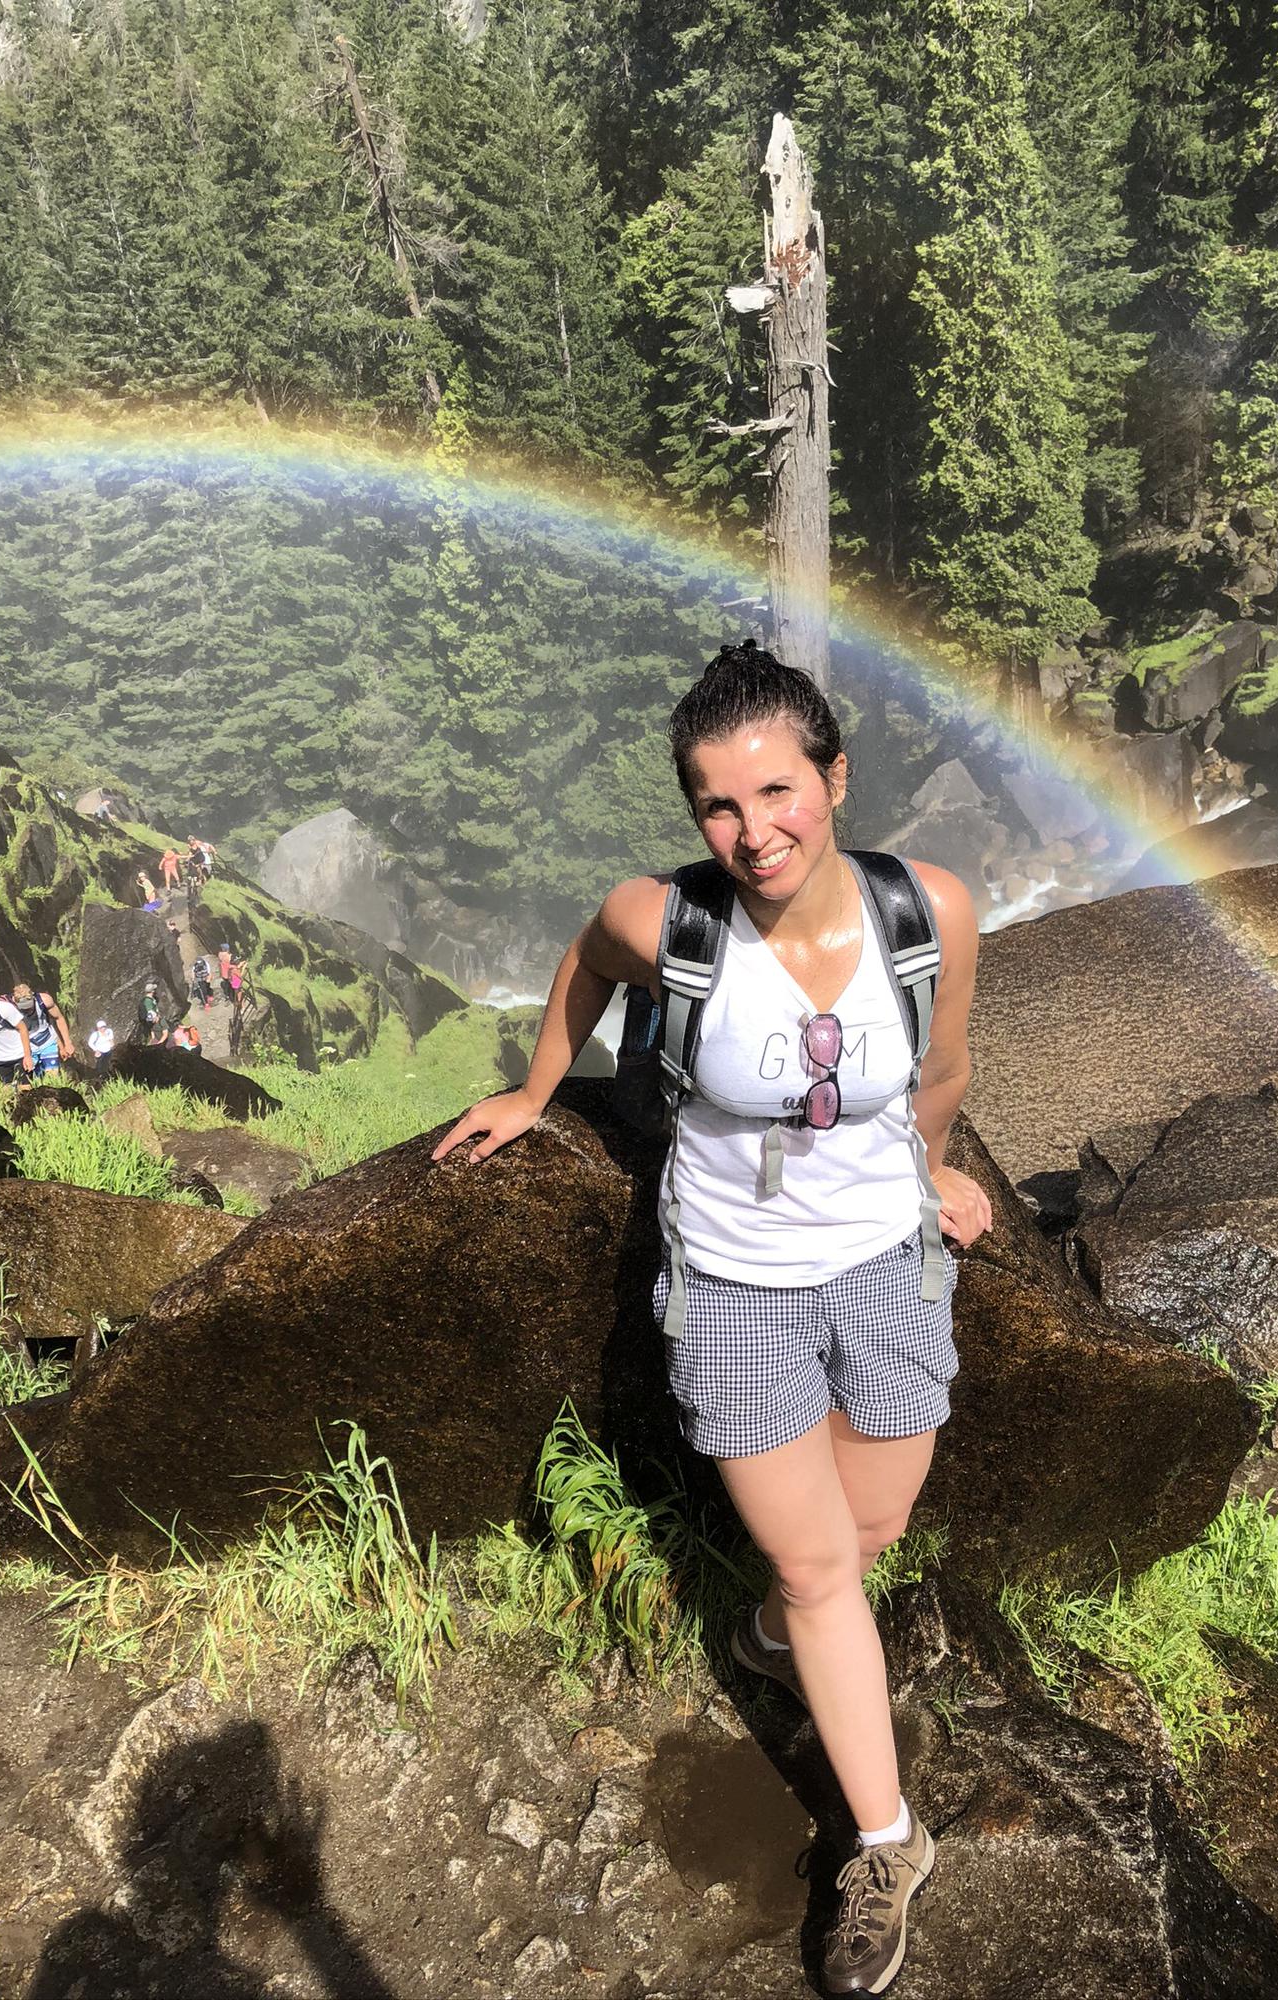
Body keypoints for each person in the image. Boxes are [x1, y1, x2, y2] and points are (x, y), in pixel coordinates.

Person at [431, 642, 991, 1998]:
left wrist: (935, 1166)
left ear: (835, 779)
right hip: (733, 1282)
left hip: (887, 1262)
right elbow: (580, 964)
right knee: (815, 1573)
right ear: (694, 816)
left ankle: (768, 1643)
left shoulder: (931, 913)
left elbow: (947, 1060)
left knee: (869, 1534)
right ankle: (887, 1841)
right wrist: (534, 1089)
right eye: (720, 808)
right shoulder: (667, 924)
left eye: (780, 792)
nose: (755, 832)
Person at [10, 982, 75, 1074]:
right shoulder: (8, 1007)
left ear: (33, 998)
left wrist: (67, 1043)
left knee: (52, 1077)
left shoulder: (44, 1000)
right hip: (26, 1046)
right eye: (23, 1008)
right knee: (30, 1078)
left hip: (47, 1042)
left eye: (29, 1007)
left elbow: (59, 1018)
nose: (27, 1011)